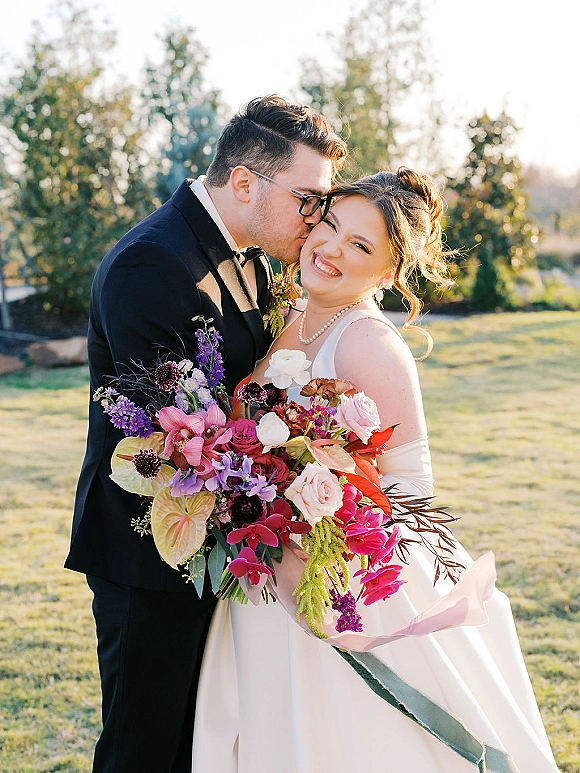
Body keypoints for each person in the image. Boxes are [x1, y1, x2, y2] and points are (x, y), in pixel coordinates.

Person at [190, 169, 560, 771]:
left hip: (337, 579)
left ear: (388, 273)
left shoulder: (367, 342)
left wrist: (318, 525)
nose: (332, 248)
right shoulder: (291, 314)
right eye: (331, 225)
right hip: (266, 572)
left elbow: (412, 486)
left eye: (360, 246)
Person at [64, 94, 347, 773]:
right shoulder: (150, 263)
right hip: (149, 557)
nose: (316, 220)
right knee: (144, 748)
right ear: (245, 181)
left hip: (218, 546)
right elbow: (173, 435)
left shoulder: (252, 256)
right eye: (308, 200)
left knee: (202, 747)